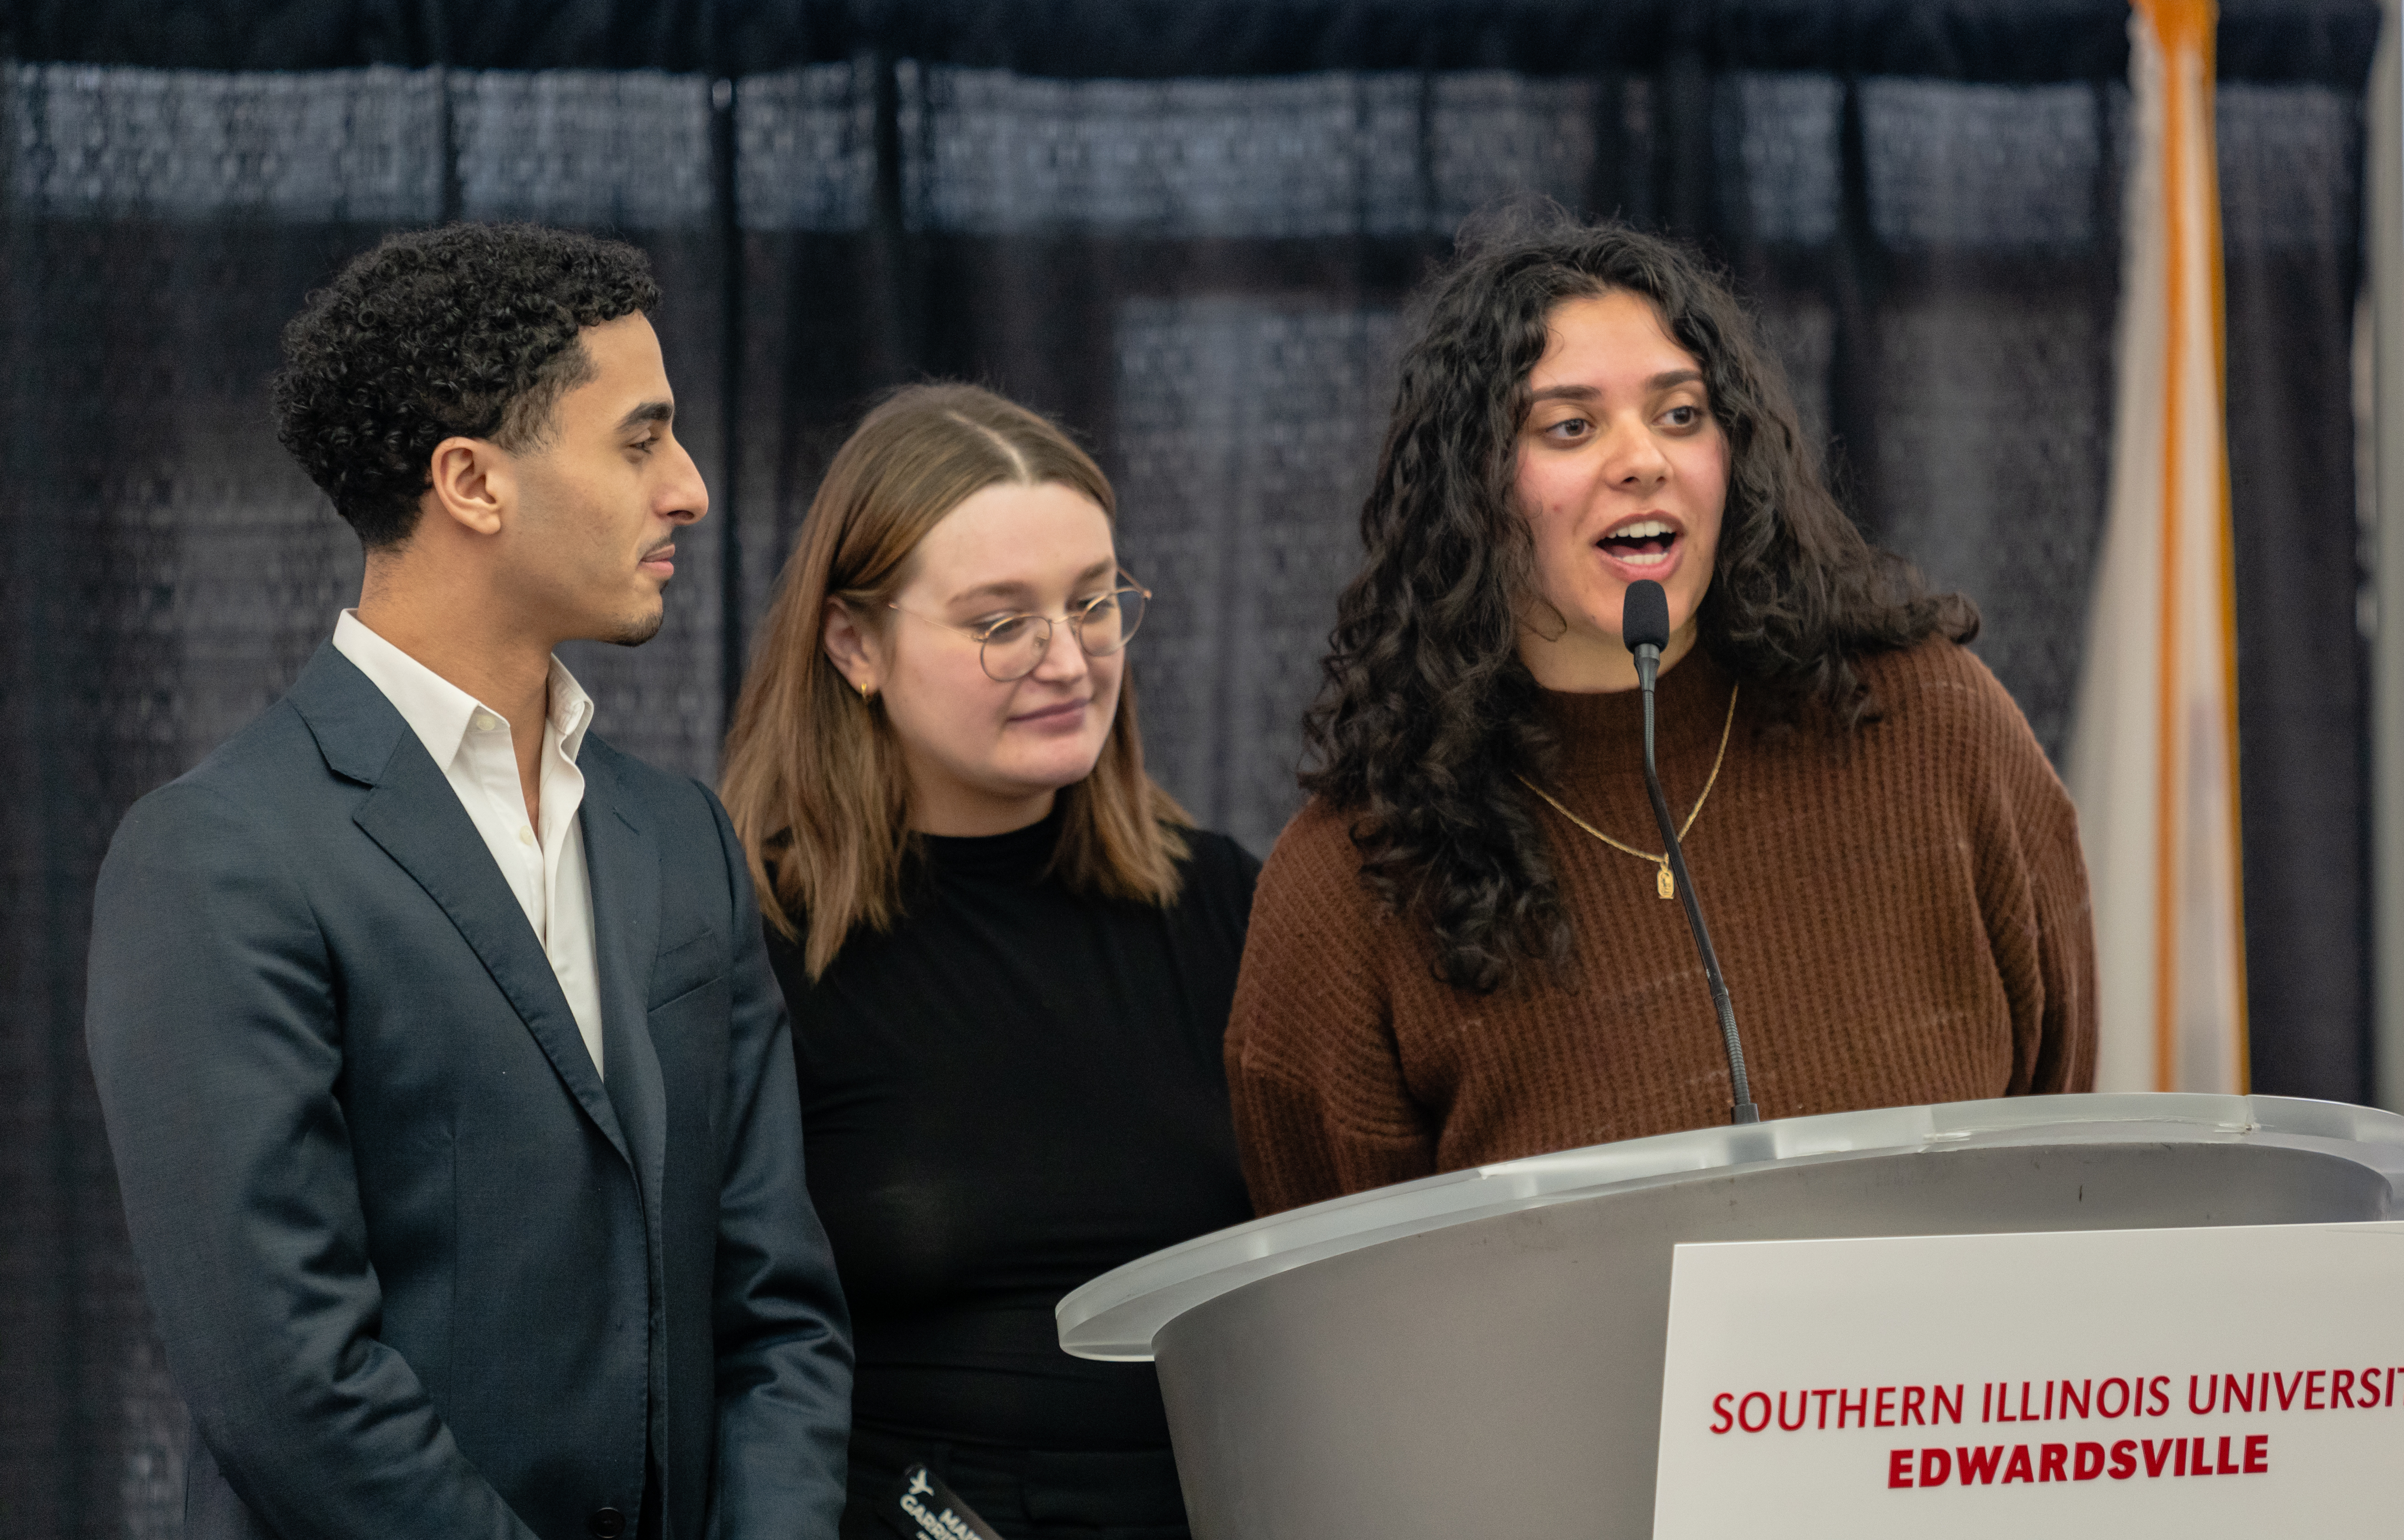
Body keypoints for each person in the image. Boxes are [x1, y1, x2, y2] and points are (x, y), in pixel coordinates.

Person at [85, 224, 853, 1540]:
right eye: (640, 440)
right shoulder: (219, 854)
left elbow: (777, 1304)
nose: (689, 489)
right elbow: (287, 1384)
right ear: (472, 482)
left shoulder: (680, 836)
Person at [1226, 215, 2097, 1216]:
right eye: (1569, 427)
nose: (1642, 459)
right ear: (1470, 490)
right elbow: (1343, 1284)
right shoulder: (1352, 881)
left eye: (1681, 414)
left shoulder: (1933, 726)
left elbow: (2060, 1151)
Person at [721, 384, 1259, 1539]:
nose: (1068, 659)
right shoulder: (749, 941)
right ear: (854, 644)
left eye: (1093, 601)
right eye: (1001, 621)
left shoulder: (1222, 901)